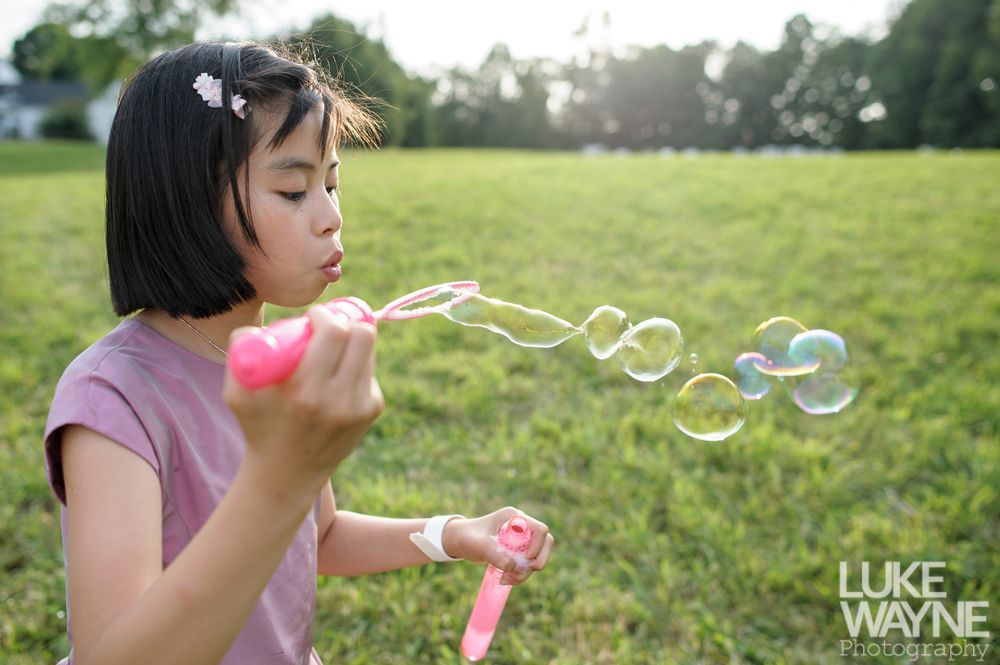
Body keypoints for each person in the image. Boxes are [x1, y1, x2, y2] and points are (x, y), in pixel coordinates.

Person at [43, 40, 555, 665]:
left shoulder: (273, 360)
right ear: (185, 206)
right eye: (294, 192)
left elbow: (321, 534)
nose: (331, 218)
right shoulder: (113, 398)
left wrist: (452, 534)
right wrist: (283, 476)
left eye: (332, 184)